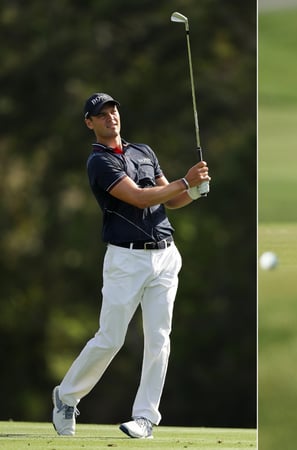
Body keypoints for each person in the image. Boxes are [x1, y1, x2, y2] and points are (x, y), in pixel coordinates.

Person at [52, 93, 211, 439]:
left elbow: (171, 197)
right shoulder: (99, 162)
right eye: (102, 114)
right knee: (111, 339)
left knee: (159, 338)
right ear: (89, 123)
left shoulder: (144, 152)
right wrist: (185, 181)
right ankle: (66, 397)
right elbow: (139, 198)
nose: (111, 117)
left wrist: (194, 189)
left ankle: (145, 419)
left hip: (166, 256)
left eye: (113, 111)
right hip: (126, 259)